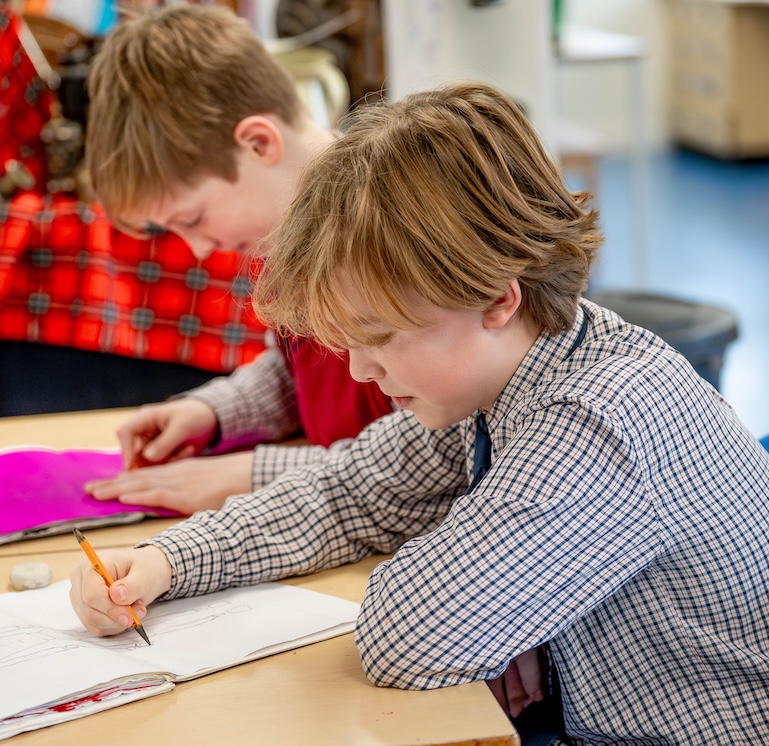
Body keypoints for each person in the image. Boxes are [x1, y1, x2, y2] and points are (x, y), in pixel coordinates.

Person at [69, 81, 769, 744]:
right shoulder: (493, 380)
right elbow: (346, 496)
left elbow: (412, 635)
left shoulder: (599, 418)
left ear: (497, 297)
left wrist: (467, 567)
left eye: (378, 336)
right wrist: (164, 560)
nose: (359, 370)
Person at [80, 4, 393, 515]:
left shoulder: (390, 238)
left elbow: (432, 452)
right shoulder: (286, 237)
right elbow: (298, 371)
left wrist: (251, 473)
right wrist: (214, 412)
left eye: (194, 217)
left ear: (257, 143)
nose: (200, 249)